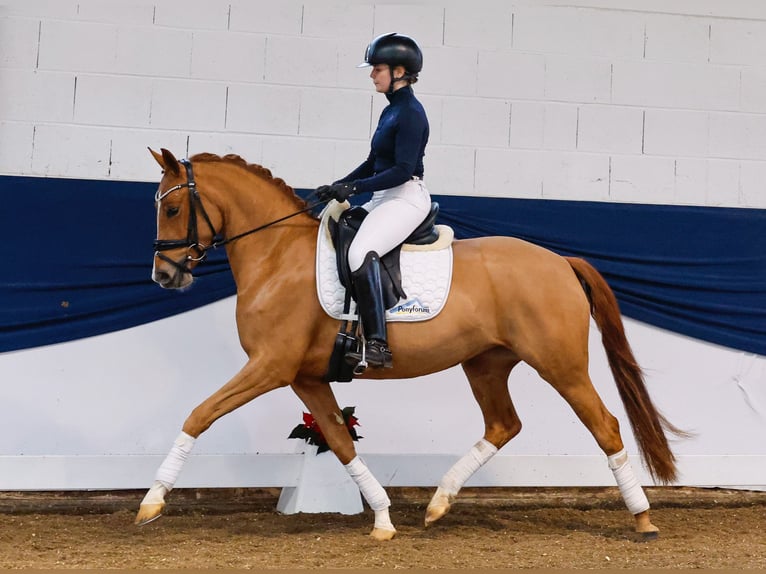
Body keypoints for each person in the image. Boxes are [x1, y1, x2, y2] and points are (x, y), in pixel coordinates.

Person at [316, 32, 431, 370]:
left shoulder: (410, 113)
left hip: (405, 198)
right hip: (384, 196)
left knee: (359, 253)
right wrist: (342, 184)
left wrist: (357, 188)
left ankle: (378, 344)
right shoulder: (391, 111)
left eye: (377, 68)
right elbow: (373, 161)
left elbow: (401, 170)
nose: (371, 74)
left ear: (399, 71)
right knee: (340, 227)